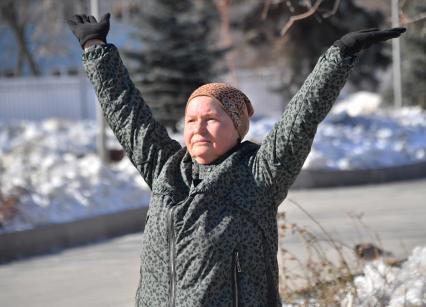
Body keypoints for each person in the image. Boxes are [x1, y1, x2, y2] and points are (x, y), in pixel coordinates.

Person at [68, 13, 405, 307]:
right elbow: (129, 115)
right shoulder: (165, 168)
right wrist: (96, 48)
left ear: (237, 126)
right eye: (191, 120)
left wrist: (339, 56)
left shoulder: (259, 175)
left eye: (211, 119)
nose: (198, 128)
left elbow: (300, 119)